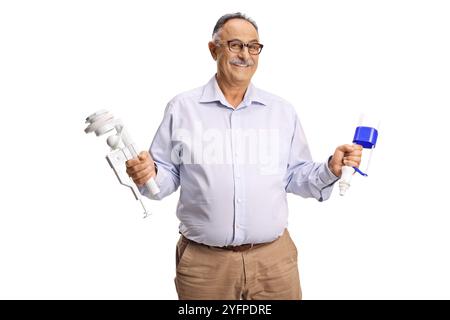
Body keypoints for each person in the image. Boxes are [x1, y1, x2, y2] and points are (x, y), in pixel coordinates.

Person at [126, 12, 362, 300]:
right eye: (235, 45)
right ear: (214, 50)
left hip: (274, 264)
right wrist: (148, 175)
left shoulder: (281, 111)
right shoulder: (182, 109)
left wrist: (330, 169)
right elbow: (166, 177)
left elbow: (295, 175)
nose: (245, 55)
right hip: (205, 267)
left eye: (253, 46)